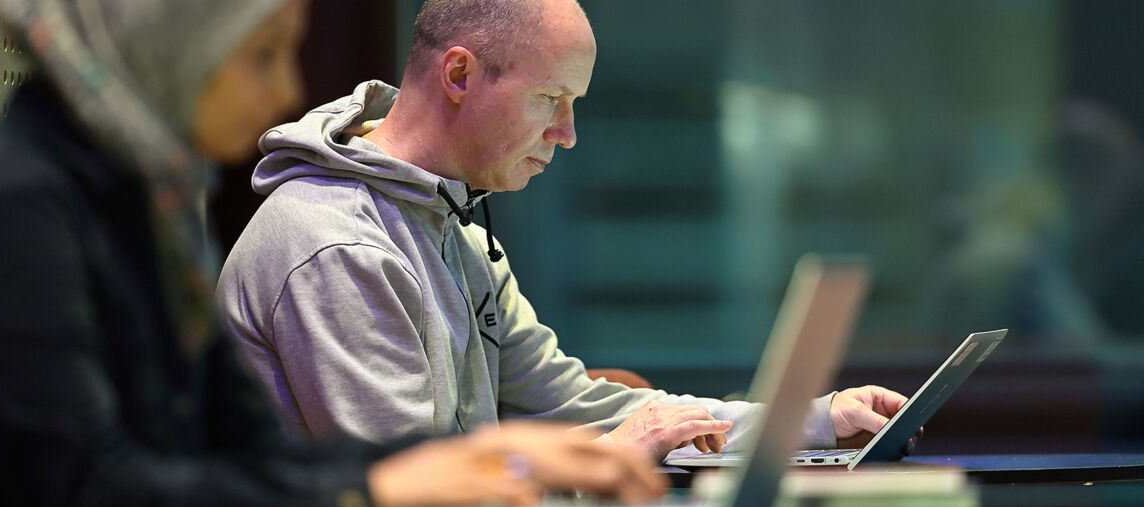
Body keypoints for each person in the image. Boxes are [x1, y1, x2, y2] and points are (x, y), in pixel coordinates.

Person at [0, 0, 667, 507]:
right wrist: (385, 486)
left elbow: (248, 449)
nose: (287, 88)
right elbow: (92, 494)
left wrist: (493, 458)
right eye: (263, 55)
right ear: (169, 43)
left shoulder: (141, 205)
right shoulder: (8, 214)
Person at [217, 0, 910, 462]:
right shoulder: (339, 248)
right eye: (551, 98)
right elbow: (414, 492)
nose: (568, 134)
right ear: (459, 73)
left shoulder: (452, 225)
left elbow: (584, 406)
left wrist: (812, 421)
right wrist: (609, 463)